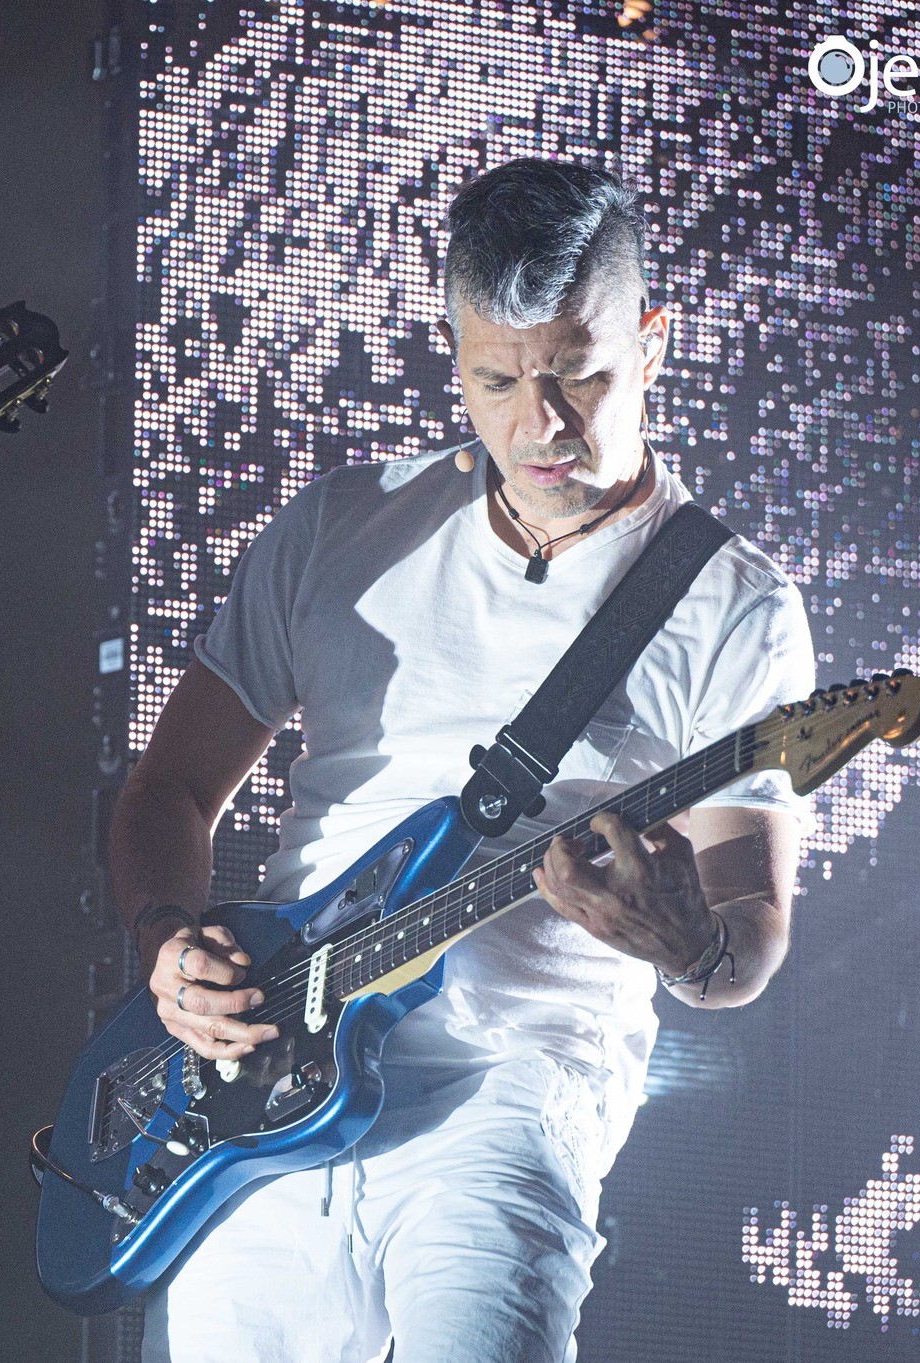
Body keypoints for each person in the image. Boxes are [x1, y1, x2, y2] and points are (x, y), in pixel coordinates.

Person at [116, 157, 815, 1362]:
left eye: (579, 372)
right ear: (454, 361)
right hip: (262, 1080)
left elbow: (746, 934)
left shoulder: (731, 605)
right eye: (498, 380)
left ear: (650, 342)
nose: (541, 424)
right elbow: (167, 792)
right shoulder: (336, 529)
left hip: (512, 1088)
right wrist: (168, 943)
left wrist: (680, 940)